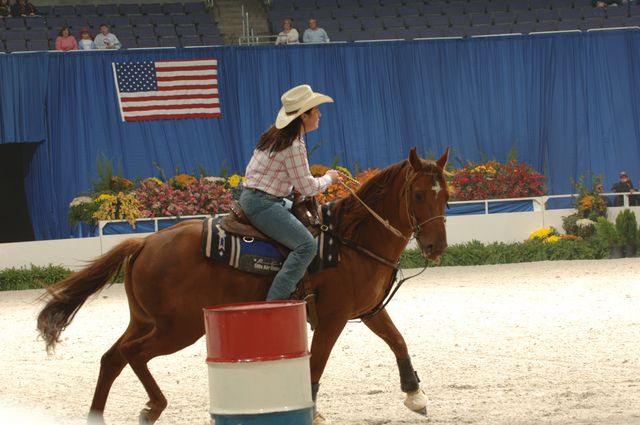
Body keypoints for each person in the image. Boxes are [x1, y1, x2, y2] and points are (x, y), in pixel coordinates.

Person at [239, 84, 340, 300]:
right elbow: (307, 187)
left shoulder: (275, 136)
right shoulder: (293, 145)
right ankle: (275, 302)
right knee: (306, 245)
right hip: (264, 204)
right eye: (316, 110)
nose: (320, 114)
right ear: (304, 115)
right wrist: (329, 178)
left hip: (258, 197)